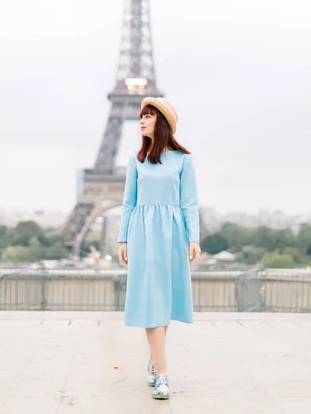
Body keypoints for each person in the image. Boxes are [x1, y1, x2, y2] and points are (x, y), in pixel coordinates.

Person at [117, 96, 201, 400]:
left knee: (164, 300)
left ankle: (154, 360)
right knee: (151, 303)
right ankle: (163, 374)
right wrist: (123, 238)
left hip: (173, 233)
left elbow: (189, 202)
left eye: (148, 116)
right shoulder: (135, 161)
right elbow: (128, 203)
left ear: (161, 122)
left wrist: (194, 238)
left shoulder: (183, 160)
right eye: (141, 116)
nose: (141, 121)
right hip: (142, 233)